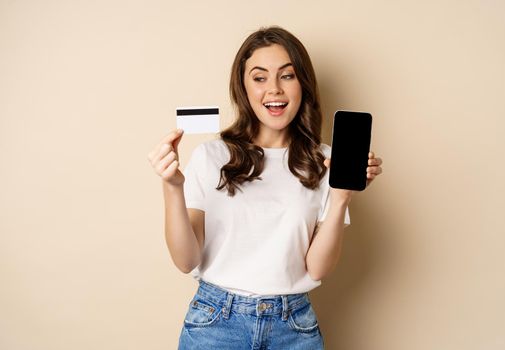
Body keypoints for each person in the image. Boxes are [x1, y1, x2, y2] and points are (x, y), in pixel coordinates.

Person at [147, 26, 383, 350]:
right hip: (215, 324)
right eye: (259, 78)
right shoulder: (212, 156)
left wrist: (341, 197)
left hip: (294, 327)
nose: (274, 89)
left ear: (303, 84)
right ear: (243, 88)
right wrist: (172, 187)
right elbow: (186, 260)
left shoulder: (326, 161)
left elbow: (318, 268)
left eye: (287, 76)